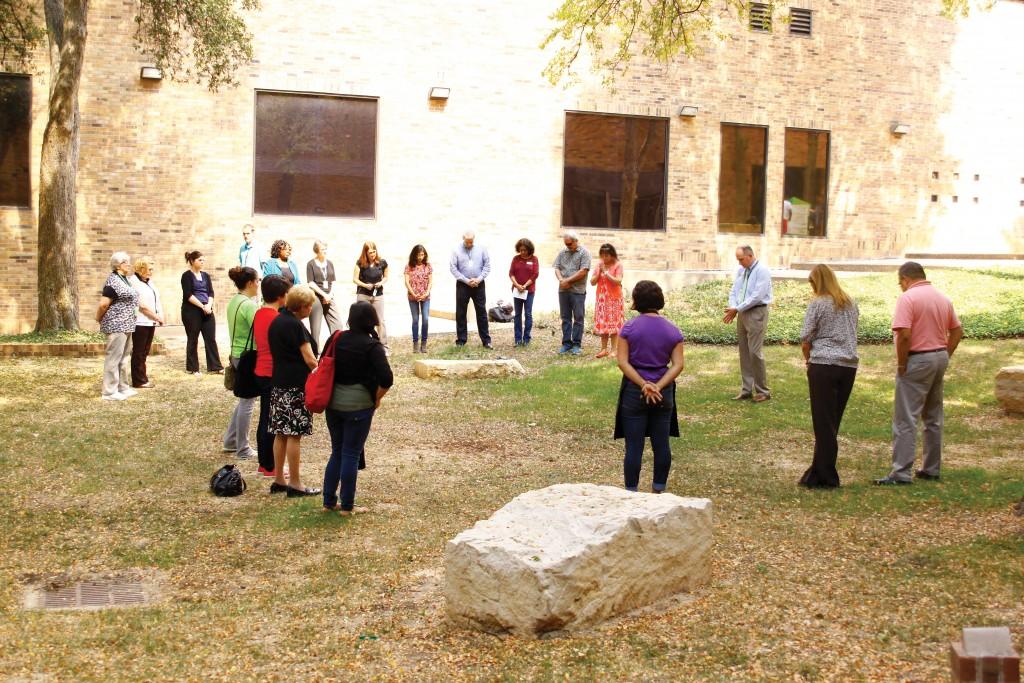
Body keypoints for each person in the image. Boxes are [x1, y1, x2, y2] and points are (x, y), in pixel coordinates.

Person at [875, 262, 962, 486]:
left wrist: (902, 364)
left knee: (906, 417)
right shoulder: (942, 298)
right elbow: (957, 330)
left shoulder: (908, 299)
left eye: (900, 283)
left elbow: (904, 334)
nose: (901, 287)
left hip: (918, 358)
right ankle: (931, 468)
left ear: (905, 279)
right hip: (939, 356)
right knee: (933, 416)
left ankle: (901, 472)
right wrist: (945, 353)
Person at [322, 302, 394, 516]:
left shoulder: (336, 338)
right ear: (372, 320)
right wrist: (376, 399)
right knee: (351, 454)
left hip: (333, 404)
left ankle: (328, 501)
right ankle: (347, 505)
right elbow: (386, 379)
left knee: (337, 451)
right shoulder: (372, 346)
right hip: (359, 405)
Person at [615, 281, 685, 493]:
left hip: (635, 392)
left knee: (634, 446)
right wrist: (658, 386)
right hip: (663, 394)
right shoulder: (673, 331)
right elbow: (678, 364)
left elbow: (622, 362)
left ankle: (631, 492)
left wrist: (644, 384)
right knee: (661, 443)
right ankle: (658, 489)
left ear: (637, 302)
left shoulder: (628, 328)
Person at [799, 265, 859, 489]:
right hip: (848, 366)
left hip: (823, 364)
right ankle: (817, 471)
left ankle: (827, 476)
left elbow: (806, 336)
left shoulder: (817, 303)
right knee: (833, 420)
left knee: (823, 421)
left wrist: (808, 358)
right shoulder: (851, 303)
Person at [267, 285, 320, 497]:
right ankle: (296, 483)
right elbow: (309, 359)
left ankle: (279, 479)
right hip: (296, 386)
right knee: (294, 435)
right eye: (309, 307)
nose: (310, 310)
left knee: (280, 433)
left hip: (279, 383)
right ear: (301, 307)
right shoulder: (295, 326)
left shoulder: (277, 321)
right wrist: (320, 373)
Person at [722, 245, 772, 402]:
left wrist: (737, 308)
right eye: (738, 259)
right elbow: (734, 290)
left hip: (756, 312)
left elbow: (758, 295)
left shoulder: (762, 271)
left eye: (741, 259)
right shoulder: (741, 271)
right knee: (744, 352)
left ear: (750, 256)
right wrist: (733, 307)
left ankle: (763, 391)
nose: (739, 263)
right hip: (741, 312)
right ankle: (746, 389)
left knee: (755, 352)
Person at [253, 275, 290, 477]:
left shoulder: (260, 313)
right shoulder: (276, 319)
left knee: (265, 418)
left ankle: (264, 462)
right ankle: (269, 465)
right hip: (271, 372)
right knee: (271, 421)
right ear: (280, 296)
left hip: (261, 370)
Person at [222, 266, 260, 461]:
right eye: (258, 281)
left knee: (244, 399)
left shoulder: (235, 301)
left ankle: (231, 440)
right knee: (248, 401)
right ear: (250, 283)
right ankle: (242, 448)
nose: (259, 284)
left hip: (237, 354)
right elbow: (260, 328)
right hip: (248, 356)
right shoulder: (248, 305)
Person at [96, 252, 139, 401]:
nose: (129, 265)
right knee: (113, 358)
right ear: (119, 264)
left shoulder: (125, 280)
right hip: (116, 324)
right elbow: (103, 304)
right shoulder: (113, 281)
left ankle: (122, 387)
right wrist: (98, 318)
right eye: (127, 262)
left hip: (127, 324)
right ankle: (109, 391)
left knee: (124, 358)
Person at [180, 250, 224, 375]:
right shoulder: (186, 276)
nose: (202, 262)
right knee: (193, 339)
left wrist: (208, 305)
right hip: (192, 311)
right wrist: (202, 306)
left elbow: (210, 292)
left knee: (210, 338)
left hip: (207, 309)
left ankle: (215, 366)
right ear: (192, 261)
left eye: (203, 260)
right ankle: (193, 368)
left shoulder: (205, 275)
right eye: (200, 260)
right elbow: (188, 295)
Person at [449, 231, 492, 349]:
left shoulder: (482, 249)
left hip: (479, 284)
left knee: (482, 312)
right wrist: (467, 281)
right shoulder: (456, 250)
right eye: (467, 242)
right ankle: (461, 340)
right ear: (463, 239)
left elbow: (487, 266)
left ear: (474, 239)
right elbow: (453, 268)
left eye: (471, 242)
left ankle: (486, 341)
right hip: (463, 284)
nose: (469, 244)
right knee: (461, 312)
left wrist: (478, 279)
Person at [553, 230, 591, 355]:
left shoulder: (584, 253)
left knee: (578, 318)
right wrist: (561, 280)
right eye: (566, 244)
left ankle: (576, 344)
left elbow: (583, 271)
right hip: (563, 290)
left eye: (569, 244)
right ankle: (566, 343)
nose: (567, 246)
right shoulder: (562, 252)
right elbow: (557, 267)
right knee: (565, 318)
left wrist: (567, 281)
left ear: (576, 241)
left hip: (578, 291)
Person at [128, 256, 164, 388]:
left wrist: (160, 315)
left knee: (144, 351)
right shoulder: (133, 282)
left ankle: (142, 377)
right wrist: (156, 317)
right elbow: (141, 305)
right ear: (141, 268)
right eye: (149, 269)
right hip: (140, 322)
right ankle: (138, 380)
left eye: (152, 269)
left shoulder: (149, 282)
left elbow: (156, 300)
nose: (151, 272)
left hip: (150, 322)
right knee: (138, 352)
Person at [353, 241, 389, 349]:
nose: (373, 254)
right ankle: (363, 344)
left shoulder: (382, 262)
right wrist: (365, 285)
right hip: (363, 294)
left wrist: (381, 283)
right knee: (363, 320)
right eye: (370, 253)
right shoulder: (360, 263)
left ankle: (383, 345)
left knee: (380, 320)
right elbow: (355, 279)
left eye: (374, 252)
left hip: (378, 295)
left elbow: (386, 277)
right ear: (365, 253)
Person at [590, 243, 624, 358]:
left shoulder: (618, 265)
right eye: (602, 256)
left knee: (614, 325)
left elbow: (618, 281)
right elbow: (592, 282)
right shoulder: (599, 265)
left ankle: (614, 350)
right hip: (601, 299)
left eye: (607, 256)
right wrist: (599, 272)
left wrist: (606, 273)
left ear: (612, 255)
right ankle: (603, 349)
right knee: (603, 324)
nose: (604, 258)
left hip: (614, 299)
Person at [306, 239, 340, 348]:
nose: (325, 251)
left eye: (326, 249)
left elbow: (333, 281)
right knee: (315, 328)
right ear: (317, 250)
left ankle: (337, 348)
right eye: (322, 249)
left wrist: (330, 295)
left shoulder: (330, 263)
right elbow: (311, 283)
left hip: (329, 296)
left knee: (337, 324)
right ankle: (315, 352)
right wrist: (323, 295)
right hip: (316, 297)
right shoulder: (311, 264)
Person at [508, 238, 539, 347]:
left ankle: (526, 338)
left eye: (524, 250)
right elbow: (511, 273)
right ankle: (517, 339)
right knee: (517, 314)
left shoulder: (534, 259)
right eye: (520, 250)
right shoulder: (515, 259)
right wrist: (517, 285)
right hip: (517, 290)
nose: (522, 252)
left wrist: (525, 286)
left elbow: (535, 274)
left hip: (529, 291)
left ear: (529, 249)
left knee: (528, 314)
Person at [404, 244, 433, 353]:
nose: (421, 257)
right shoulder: (409, 266)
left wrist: (426, 293)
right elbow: (406, 282)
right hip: (413, 296)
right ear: (414, 255)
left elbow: (430, 282)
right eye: (419, 255)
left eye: (422, 254)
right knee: (415, 319)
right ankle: (415, 343)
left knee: (425, 319)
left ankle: (424, 343)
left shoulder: (428, 266)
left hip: (425, 296)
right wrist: (413, 293)